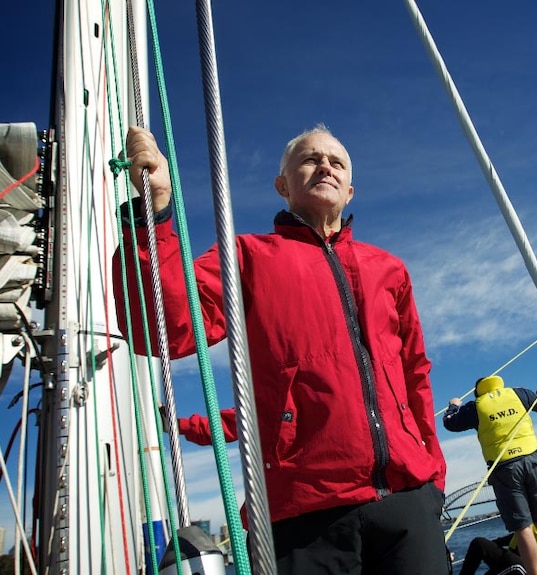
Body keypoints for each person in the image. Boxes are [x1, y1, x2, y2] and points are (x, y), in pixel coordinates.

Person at [115, 124, 448, 574]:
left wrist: (434, 475)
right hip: (301, 511)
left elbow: (415, 375)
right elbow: (163, 327)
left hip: (409, 499)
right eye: (310, 159)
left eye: (337, 161)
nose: (325, 165)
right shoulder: (245, 257)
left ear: (350, 190)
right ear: (282, 186)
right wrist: (153, 213)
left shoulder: (389, 269)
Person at [443, 376, 537, 575]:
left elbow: (450, 424)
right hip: (532, 460)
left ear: (478, 391)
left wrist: (453, 406)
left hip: (504, 469)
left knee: (523, 527)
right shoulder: (519, 393)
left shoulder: (475, 406)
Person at [458, 507, 537, 575]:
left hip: (528, 568)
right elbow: (506, 540)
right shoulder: (525, 526)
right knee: (479, 543)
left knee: (512, 565)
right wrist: (491, 547)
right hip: (512, 561)